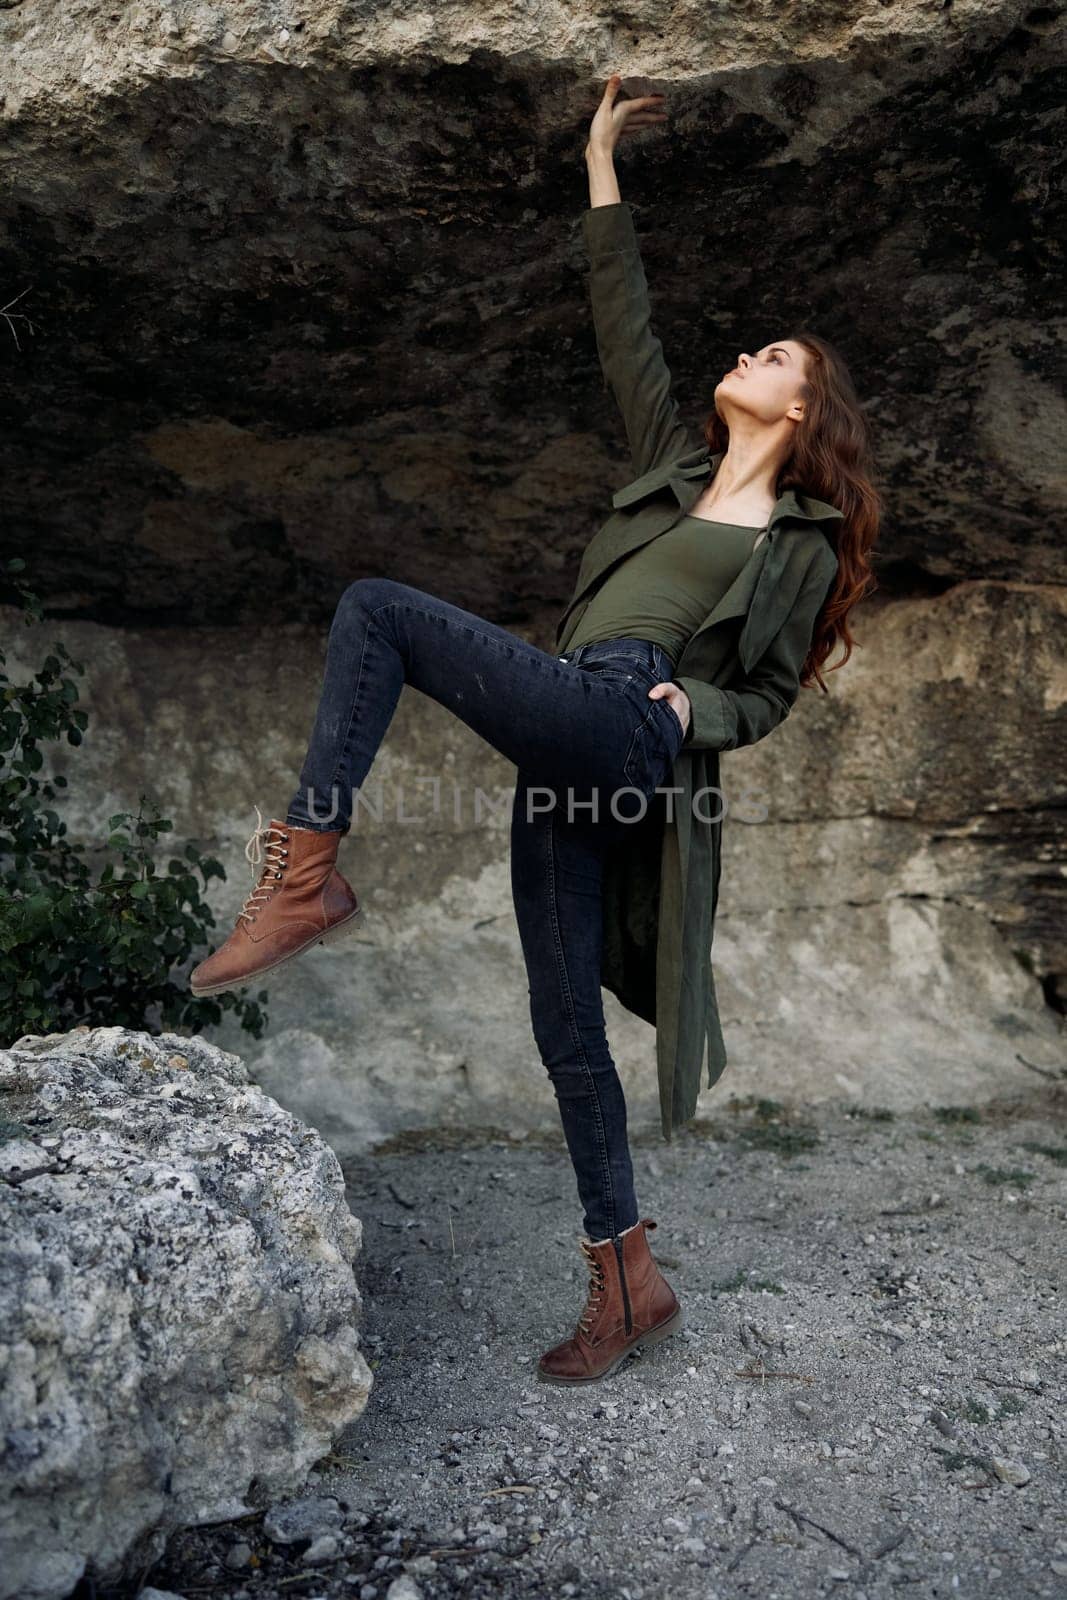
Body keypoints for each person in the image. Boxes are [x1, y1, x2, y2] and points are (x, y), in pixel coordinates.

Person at [189, 74, 879, 1385]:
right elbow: (628, 329)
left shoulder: (797, 539)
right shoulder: (674, 467)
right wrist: (598, 161)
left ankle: (306, 869)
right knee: (564, 1028)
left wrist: (693, 706)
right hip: (573, 723)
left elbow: (772, 693)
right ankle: (629, 1280)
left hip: (628, 726)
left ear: (802, 413)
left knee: (378, 612)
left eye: (776, 356)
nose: (750, 354)